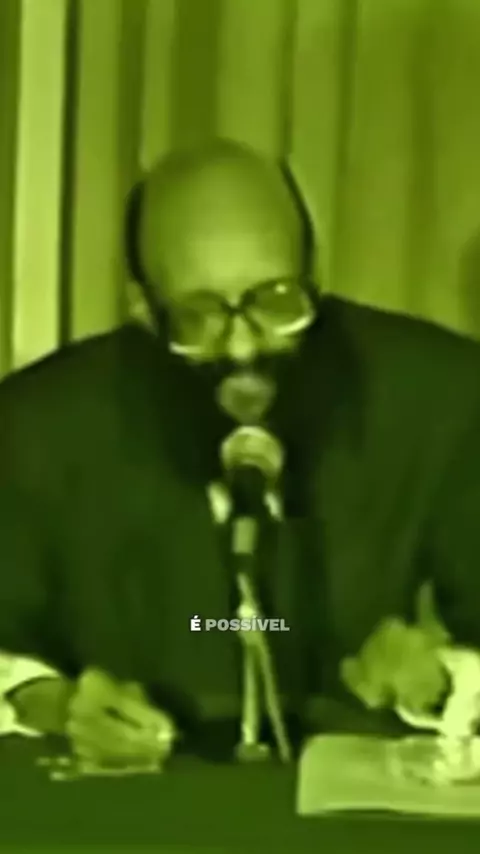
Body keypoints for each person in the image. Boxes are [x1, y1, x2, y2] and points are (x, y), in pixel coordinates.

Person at [0, 137, 480, 770]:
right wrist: (52, 704)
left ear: (315, 278)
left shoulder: (438, 395)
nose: (244, 346)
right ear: (143, 308)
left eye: (276, 301)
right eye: (199, 316)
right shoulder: (39, 425)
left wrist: (446, 679)